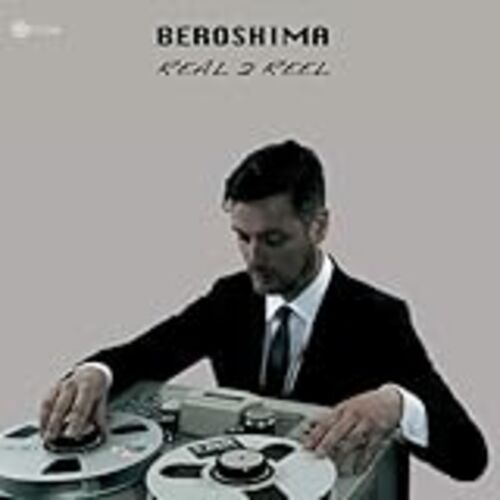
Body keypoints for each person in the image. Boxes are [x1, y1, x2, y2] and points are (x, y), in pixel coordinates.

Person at [40, 139, 487, 482]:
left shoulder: (379, 317)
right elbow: (148, 352)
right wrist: (95, 373)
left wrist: (397, 404)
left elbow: (469, 457)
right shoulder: (229, 298)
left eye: (274, 240)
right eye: (242, 237)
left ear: (319, 226)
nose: (254, 258)